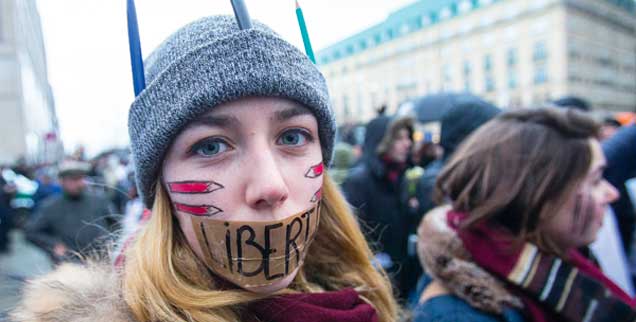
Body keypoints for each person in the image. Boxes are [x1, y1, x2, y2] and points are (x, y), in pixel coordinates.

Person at [11, 16, 398, 322]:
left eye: (293, 137)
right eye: (211, 146)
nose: (270, 185)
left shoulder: (364, 300)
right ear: (160, 184)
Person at [412, 108, 636, 322]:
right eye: (595, 180)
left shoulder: (559, 263)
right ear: (539, 195)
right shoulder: (458, 316)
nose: (612, 194)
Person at [342, 114, 415, 298]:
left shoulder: (399, 175)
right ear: (381, 141)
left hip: (400, 274)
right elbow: (353, 235)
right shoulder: (359, 180)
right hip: (374, 281)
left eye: (407, 137)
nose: (407, 144)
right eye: (399, 138)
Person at [24, 161, 117, 263]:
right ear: (61, 181)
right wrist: (53, 245)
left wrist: (110, 242)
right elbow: (32, 232)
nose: (80, 183)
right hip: (68, 264)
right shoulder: (50, 206)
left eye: (82, 178)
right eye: (74, 179)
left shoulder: (99, 201)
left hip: (100, 261)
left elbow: (116, 224)